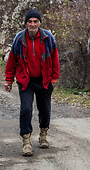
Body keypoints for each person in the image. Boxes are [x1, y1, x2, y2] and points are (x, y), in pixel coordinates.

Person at [4, 9, 60, 157]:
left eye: (35, 21)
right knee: (26, 110)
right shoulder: (19, 38)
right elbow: (11, 61)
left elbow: (55, 58)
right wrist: (8, 79)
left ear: (39, 23)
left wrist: (54, 78)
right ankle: (26, 142)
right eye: (30, 21)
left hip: (44, 79)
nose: (33, 24)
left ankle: (43, 136)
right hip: (26, 80)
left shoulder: (48, 37)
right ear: (26, 23)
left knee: (45, 109)